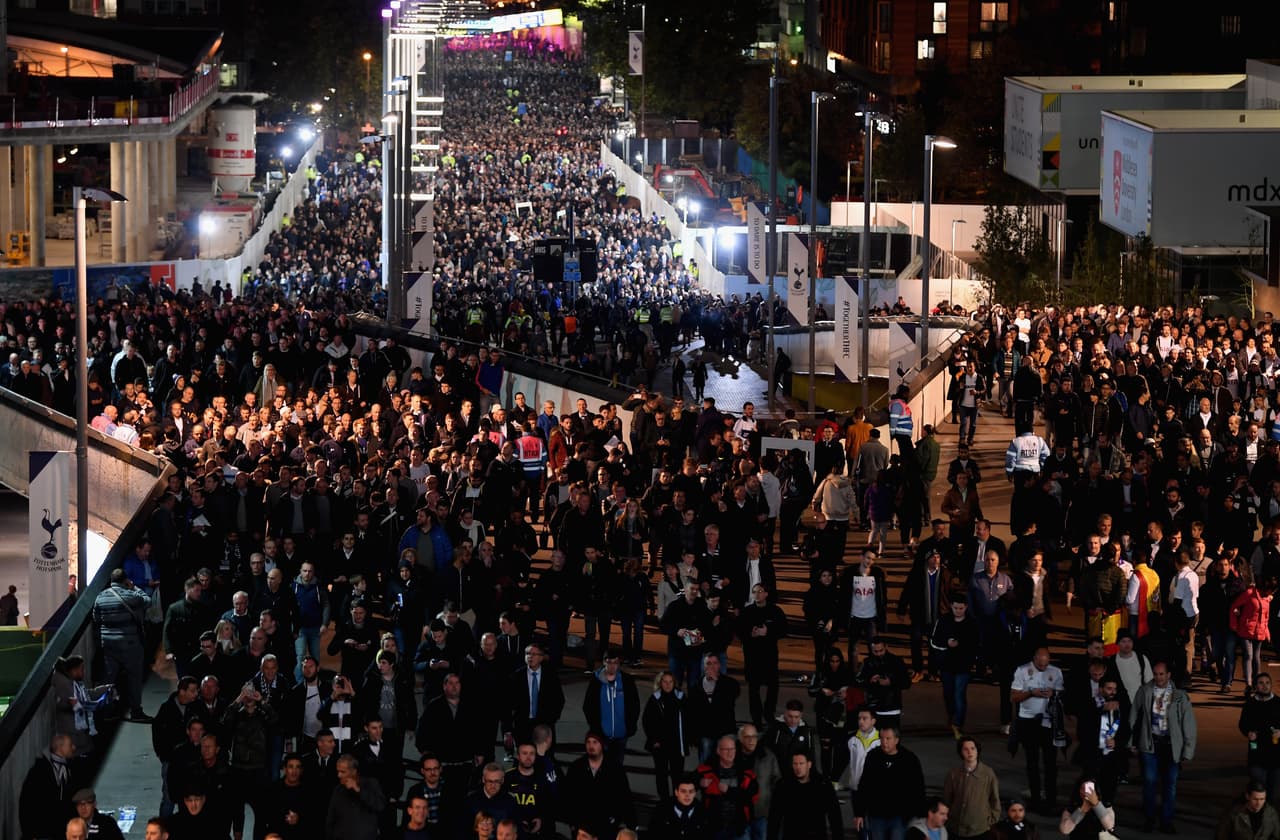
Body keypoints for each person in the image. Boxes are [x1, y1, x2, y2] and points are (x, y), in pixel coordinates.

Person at [1131, 660, 1197, 833]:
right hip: (1150, 744)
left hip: (1171, 746)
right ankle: (1149, 819)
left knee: (1170, 785)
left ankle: (1166, 821)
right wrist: (1130, 741)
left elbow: (1188, 723)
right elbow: (1134, 716)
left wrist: (1188, 749)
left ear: (1168, 675)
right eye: (1156, 674)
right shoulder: (1144, 691)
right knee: (1150, 783)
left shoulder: (1180, 696)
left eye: (1161, 674)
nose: (1158, 677)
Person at [1009, 646, 1065, 813]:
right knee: (1032, 763)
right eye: (1040, 664)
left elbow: (1063, 694)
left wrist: (1053, 692)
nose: (1043, 666)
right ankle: (1035, 800)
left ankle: (1051, 800)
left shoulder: (1056, 672)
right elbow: (1013, 697)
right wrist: (1031, 693)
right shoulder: (1022, 671)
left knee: (1051, 764)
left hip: (1049, 724)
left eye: (1046, 663)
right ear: (1034, 659)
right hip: (1028, 723)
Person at [92, 568, 152, 722]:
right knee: (134, 678)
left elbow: (96, 620)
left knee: (109, 679)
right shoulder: (131, 596)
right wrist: (134, 587)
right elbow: (147, 600)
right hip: (130, 643)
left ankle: (108, 711)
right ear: (125, 580)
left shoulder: (100, 597)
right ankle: (136, 712)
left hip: (108, 645)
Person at [853, 725, 926, 840]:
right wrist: (859, 813)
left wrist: (920, 814)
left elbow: (918, 788)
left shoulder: (909, 759)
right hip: (876, 814)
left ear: (896, 740)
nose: (884, 742)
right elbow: (864, 785)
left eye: (888, 738)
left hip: (900, 816)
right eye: (881, 738)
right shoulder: (873, 756)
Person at [562, 732, 635, 838]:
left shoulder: (615, 768)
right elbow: (568, 796)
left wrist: (631, 824)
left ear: (602, 745)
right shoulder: (576, 767)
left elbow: (624, 796)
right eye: (588, 742)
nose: (591, 746)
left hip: (607, 825)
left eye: (595, 742)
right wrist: (573, 823)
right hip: (582, 828)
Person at [738, 583, 787, 729]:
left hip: (770, 655)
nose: (757, 594)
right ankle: (756, 718)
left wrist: (768, 631)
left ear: (766, 594)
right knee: (754, 688)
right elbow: (739, 631)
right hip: (752, 656)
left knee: (773, 686)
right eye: (754, 592)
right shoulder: (747, 612)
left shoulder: (775, 611)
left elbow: (784, 630)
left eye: (760, 591)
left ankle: (769, 713)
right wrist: (750, 634)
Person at [931, 593, 979, 739]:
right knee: (948, 694)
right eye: (956, 607)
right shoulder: (944, 621)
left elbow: (975, 644)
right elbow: (934, 640)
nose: (958, 610)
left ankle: (957, 724)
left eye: (961, 608)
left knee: (959, 694)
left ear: (966, 608)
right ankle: (952, 717)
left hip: (963, 666)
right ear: (951, 606)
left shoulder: (971, 623)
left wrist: (961, 645)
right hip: (947, 665)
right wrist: (947, 643)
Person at [582, 648, 640, 766]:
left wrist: (630, 726)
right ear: (604, 662)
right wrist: (595, 728)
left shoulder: (627, 681)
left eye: (615, 662)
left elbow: (635, 705)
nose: (612, 666)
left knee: (617, 768)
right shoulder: (596, 681)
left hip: (621, 735)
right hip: (602, 736)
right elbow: (588, 706)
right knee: (601, 768)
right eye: (609, 662)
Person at [766, 751, 843, 839]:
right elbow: (774, 817)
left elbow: (835, 817)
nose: (798, 767)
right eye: (795, 764)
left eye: (801, 763)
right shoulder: (783, 786)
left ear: (809, 764)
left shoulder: (823, 785)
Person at [695, 735, 759, 840]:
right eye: (726, 749)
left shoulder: (746, 772)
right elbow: (685, 784)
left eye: (732, 749)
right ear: (718, 751)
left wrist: (729, 791)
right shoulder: (706, 770)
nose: (730, 752)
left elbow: (750, 797)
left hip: (739, 828)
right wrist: (699, 782)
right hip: (714, 828)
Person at [20, 733, 78, 840]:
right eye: (70, 745)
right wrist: (31, 833)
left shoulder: (67, 769)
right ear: (60, 747)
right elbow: (27, 803)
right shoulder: (39, 772)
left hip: (59, 832)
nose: (73, 747)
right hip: (42, 833)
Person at [942, 737, 1000, 840]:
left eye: (973, 748)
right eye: (965, 749)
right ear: (961, 752)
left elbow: (994, 799)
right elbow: (947, 799)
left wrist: (990, 820)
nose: (970, 752)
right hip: (956, 828)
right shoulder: (953, 774)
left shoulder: (988, 773)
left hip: (979, 829)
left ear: (977, 751)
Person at [643, 671, 689, 800]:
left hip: (676, 745)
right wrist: (653, 739)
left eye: (670, 682)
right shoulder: (655, 698)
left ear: (674, 683)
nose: (668, 685)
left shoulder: (681, 697)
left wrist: (687, 739)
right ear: (660, 683)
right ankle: (663, 801)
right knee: (661, 774)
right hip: (660, 744)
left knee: (677, 776)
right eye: (665, 682)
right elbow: (647, 721)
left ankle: (677, 800)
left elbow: (689, 720)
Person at [324, 755, 385, 840]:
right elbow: (330, 819)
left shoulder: (371, 784)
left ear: (354, 771)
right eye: (338, 771)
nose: (339, 775)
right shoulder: (338, 790)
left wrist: (358, 789)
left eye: (343, 772)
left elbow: (380, 806)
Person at [1241, 673, 1280, 803]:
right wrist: (1248, 732)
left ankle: (1268, 820)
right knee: (1258, 790)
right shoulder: (1250, 704)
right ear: (1256, 686)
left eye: (1267, 683)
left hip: (1275, 756)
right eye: (1261, 683)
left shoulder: (1278, 703)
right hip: (1256, 753)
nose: (1265, 686)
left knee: (1272, 794)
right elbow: (1242, 724)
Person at [1215, 781, 1280, 840]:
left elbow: (1277, 836)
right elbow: (1221, 836)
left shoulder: (1271, 813)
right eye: (1255, 799)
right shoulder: (1233, 814)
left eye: (1262, 799)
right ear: (1247, 796)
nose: (1259, 803)